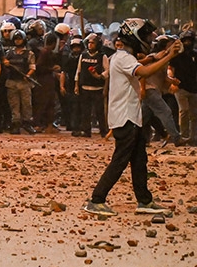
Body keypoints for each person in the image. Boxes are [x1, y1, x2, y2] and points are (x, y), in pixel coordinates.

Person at [84, 20, 183, 218]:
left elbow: (143, 63)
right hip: (125, 117)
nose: (148, 39)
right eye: (145, 35)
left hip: (130, 117)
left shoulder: (122, 57)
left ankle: (144, 200)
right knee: (120, 160)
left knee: (139, 160)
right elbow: (144, 71)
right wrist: (170, 56)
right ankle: (96, 199)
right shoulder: (123, 58)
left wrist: (161, 55)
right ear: (135, 36)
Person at [3, 30, 36, 134]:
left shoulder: (29, 53)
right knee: (14, 104)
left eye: (19, 39)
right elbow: (3, 64)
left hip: (24, 82)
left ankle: (27, 123)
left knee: (27, 104)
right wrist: (5, 63)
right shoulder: (9, 53)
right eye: (16, 39)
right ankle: (15, 124)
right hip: (12, 82)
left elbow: (32, 67)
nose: (17, 41)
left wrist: (28, 75)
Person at [173, 29, 197, 145]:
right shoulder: (177, 55)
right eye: (185, 41)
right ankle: (184, 136)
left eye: (190, 40)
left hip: (194, 88)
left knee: (194, 113)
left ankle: (193, 137)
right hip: (180, 87)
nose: (188, 43)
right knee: (184, 111)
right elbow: (170, 69)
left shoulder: (195, 55)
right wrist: (172, 82)